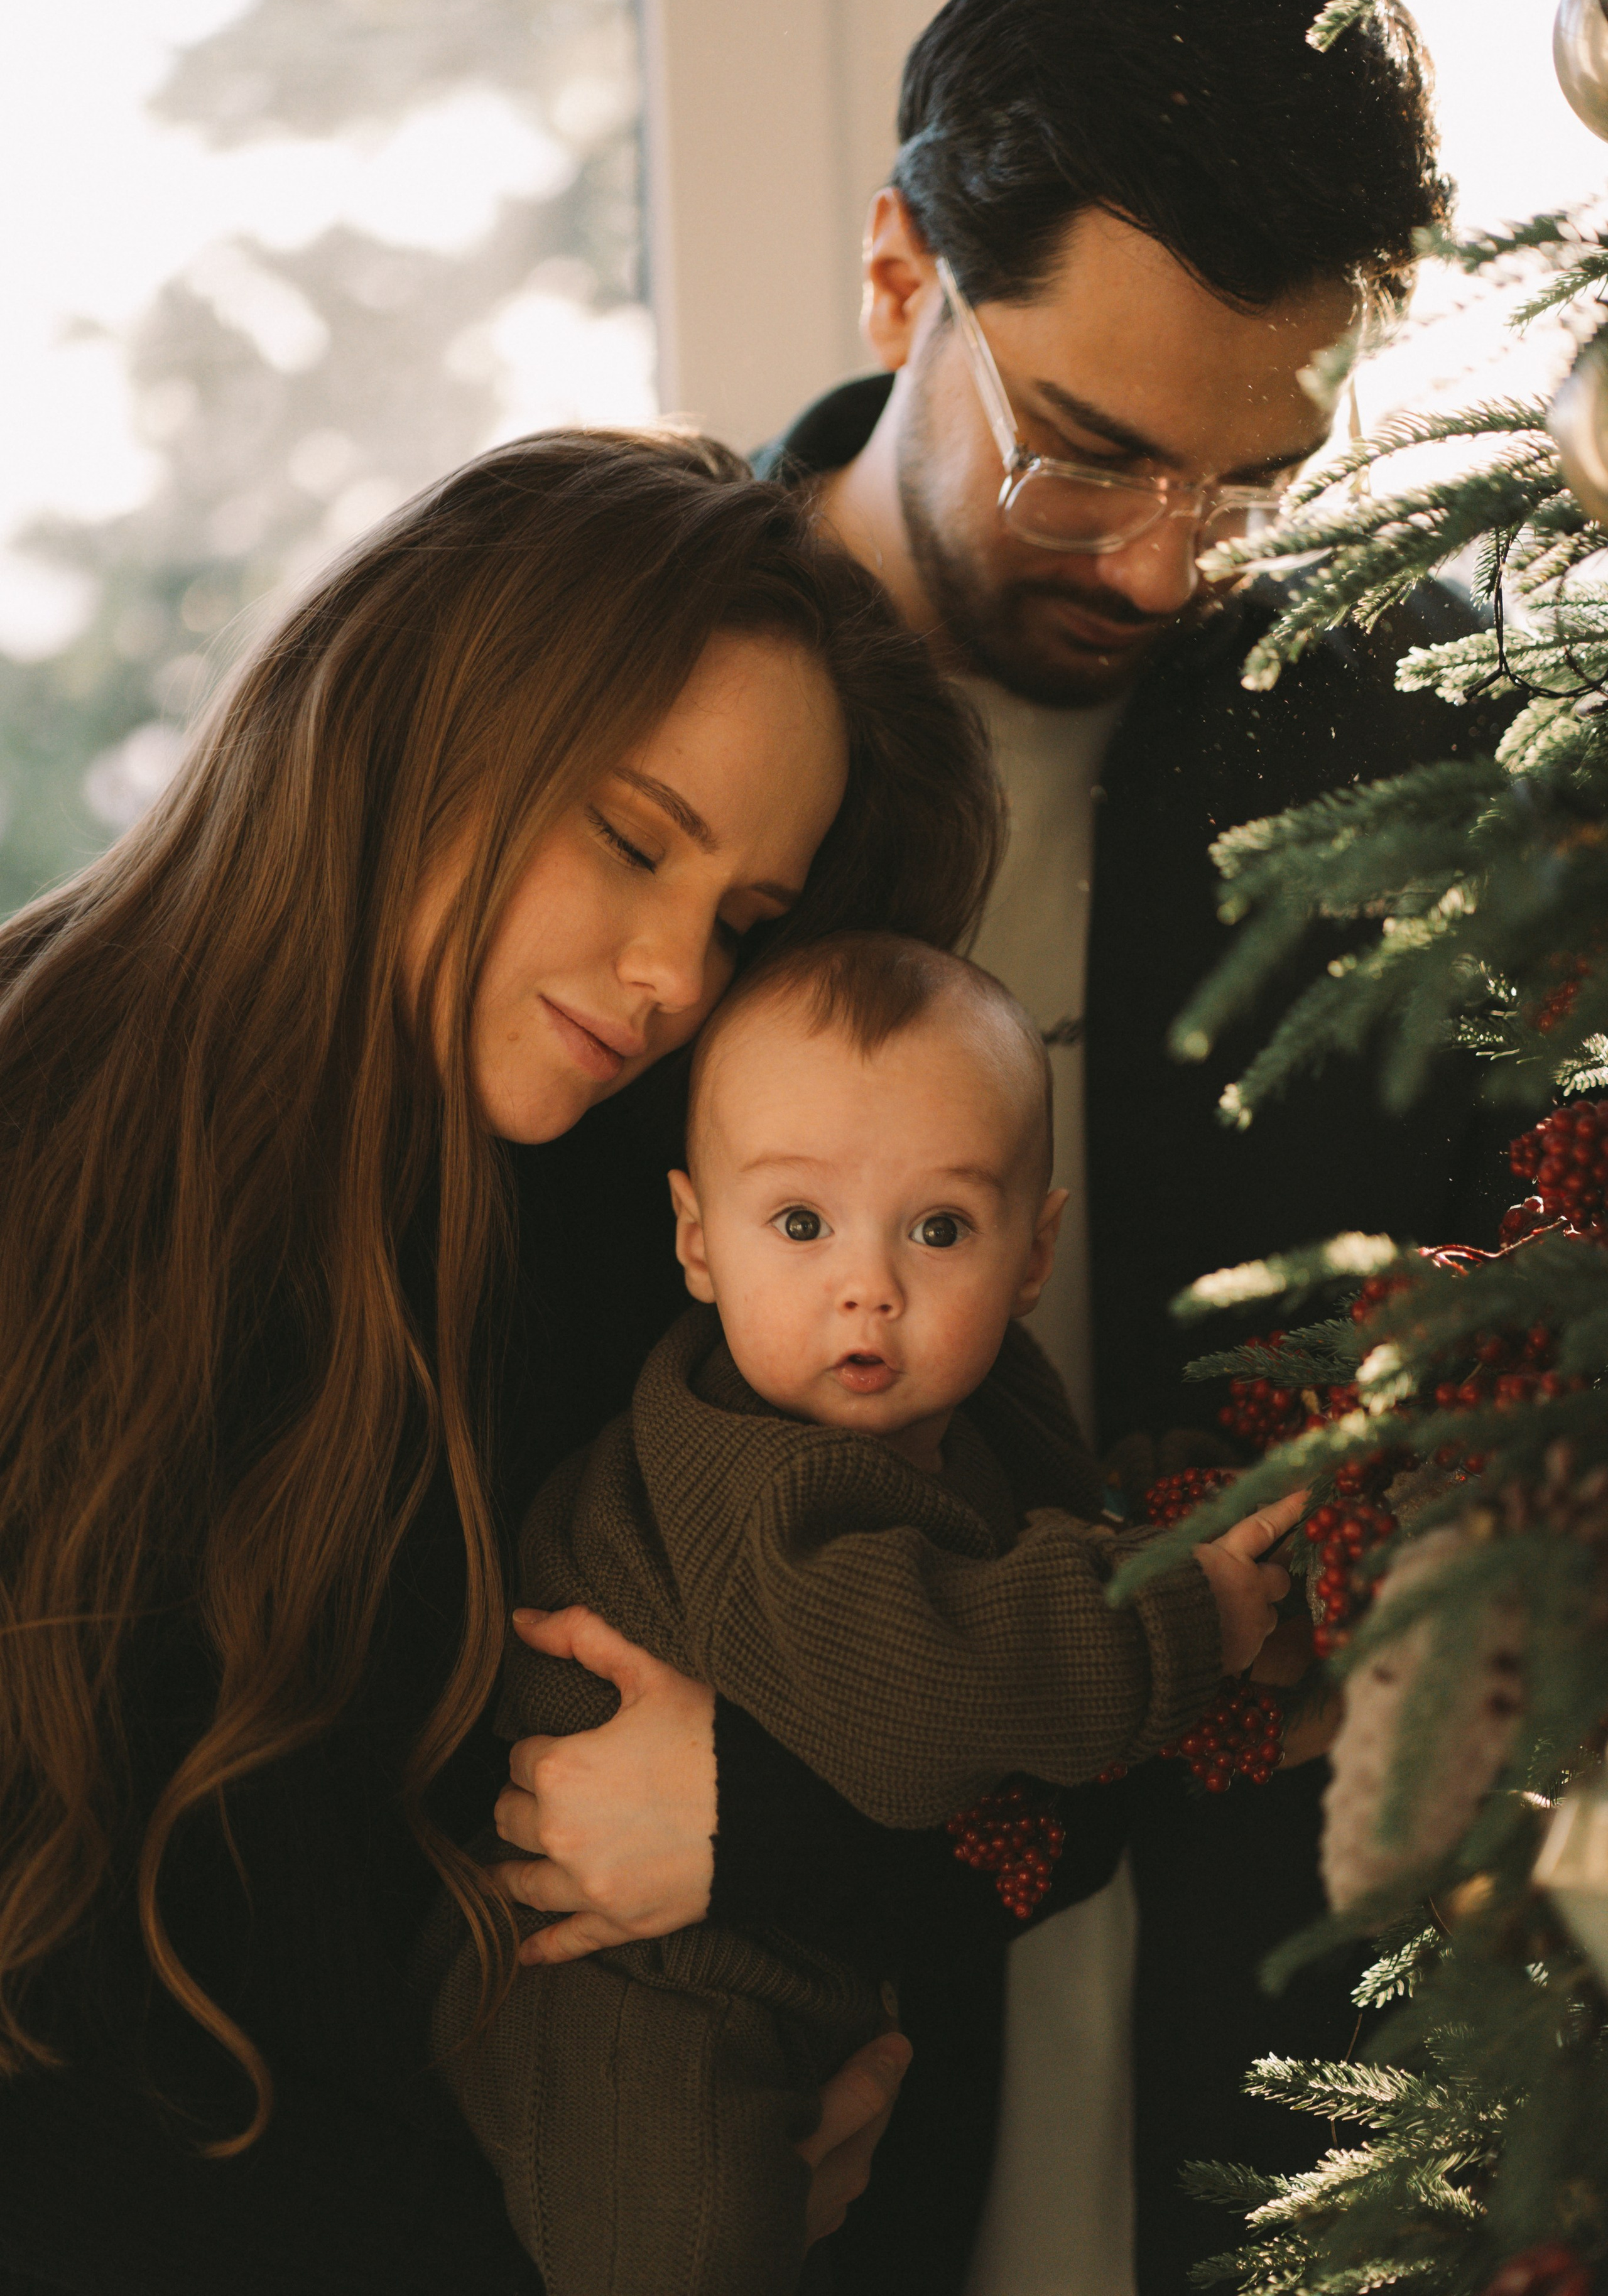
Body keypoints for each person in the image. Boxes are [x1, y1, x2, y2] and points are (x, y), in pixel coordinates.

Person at [720, 0, 1508, 2292]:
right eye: (1086, 457)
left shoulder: (1437, 768)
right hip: (751, 2069)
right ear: (897, 278)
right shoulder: (621, 735)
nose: (1173, 566)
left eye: (1258, 474)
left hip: (1292, 2070)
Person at [0, 427, 1002, 2294]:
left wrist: (758, 1853)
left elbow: (1051, 1723)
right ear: (417, 715)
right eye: (632, 842)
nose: (675, 980)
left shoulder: (666, 1235)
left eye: (743, 925)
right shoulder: (40, 1160)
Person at [427, 929, 1306, 2295]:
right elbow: (928, 1707)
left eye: (938, 1228)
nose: (868, 1285)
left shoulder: (971, 1402)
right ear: (695, 1240)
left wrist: (1171, 1519)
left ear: (1031, 1253)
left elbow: (1042, 1543)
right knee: (694, 2245)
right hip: (626, 1993)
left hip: (781, 1956)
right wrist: (1179, 1619)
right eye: (798, 1224)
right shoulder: (763, 1479)